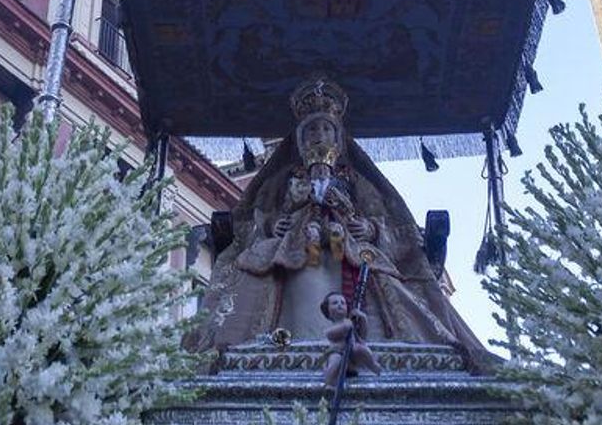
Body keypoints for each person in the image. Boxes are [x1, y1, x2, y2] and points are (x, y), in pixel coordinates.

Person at [185, 78, 494, 371]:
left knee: (364, 293)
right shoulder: (284, 178)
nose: (318, 136)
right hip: (294, 250)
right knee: (300, 298)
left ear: (337, 137)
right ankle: (290, 349)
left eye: (325, 129)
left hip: (349, 248)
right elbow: (257, 215)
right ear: (300, 139)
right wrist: (270, 227)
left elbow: (384, 217)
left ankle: (357, 349)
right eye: (311, 131)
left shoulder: (353, 179)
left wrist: (370, 230)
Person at [320, 291, 380, 386]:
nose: (339, 305)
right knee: (335, 361)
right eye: (335, 303)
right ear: (328, 311)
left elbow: (362, 337)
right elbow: (330, 334)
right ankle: (329, 381)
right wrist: (345, 327)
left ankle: (374, 366)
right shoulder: (334, 327)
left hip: (352, 354)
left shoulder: (349, 322)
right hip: (338, 352)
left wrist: (363, 319)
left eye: (343, 303)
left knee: (362, 349)